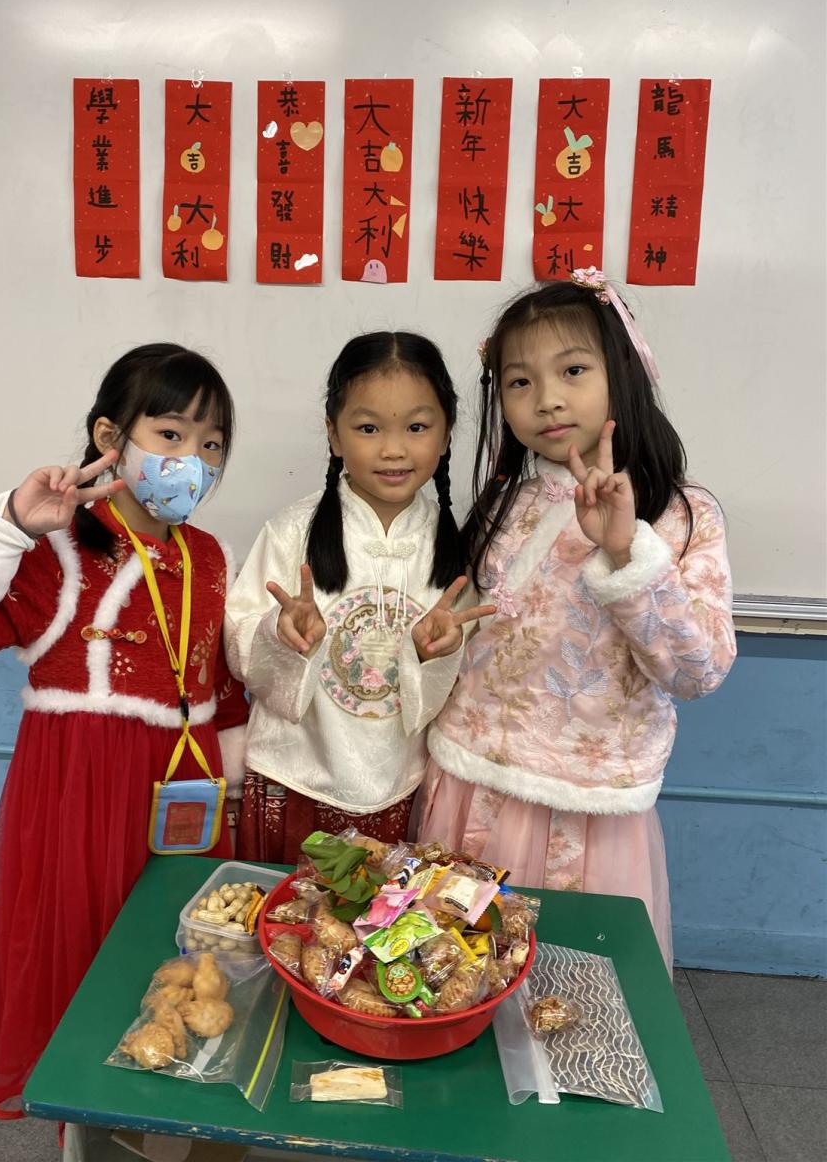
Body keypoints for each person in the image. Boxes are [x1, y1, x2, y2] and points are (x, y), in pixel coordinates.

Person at [0, 343, 247, 1118]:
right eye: (171, 434)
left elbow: (219, 683)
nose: (193, 460)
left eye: (212, 443)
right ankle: (84, 1108)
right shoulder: (55, 550)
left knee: (178, 954)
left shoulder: (209, 555)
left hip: (184, 788)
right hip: (80, 788)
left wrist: (236, 781)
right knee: (81, 947)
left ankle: (161, 1098)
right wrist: (11, 525)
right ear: (110, 437)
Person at [416, 271, 736, 967]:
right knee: (451, 976)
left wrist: (625, 551)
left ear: (623, 371)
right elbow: (485, 624)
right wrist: (444, 636)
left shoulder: (679, 514)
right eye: (520, 381)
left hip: (585, 812)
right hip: (470, 785)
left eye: (573, 370)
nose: (547, 398)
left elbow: (698, 672)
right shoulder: (508, 501)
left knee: (567, 992)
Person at [224, 331, 494, 863]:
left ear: (446, 434)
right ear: (334, 434)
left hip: (400, 782)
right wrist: (279, 634)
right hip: (293, 778)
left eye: (417, 427)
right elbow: (240, 640)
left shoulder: (453, 549)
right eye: (369, 428)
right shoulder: (291, 531)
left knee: (385, 915)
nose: (393, 449)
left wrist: (436, 653)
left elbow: (453, 680)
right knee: (285, 912)